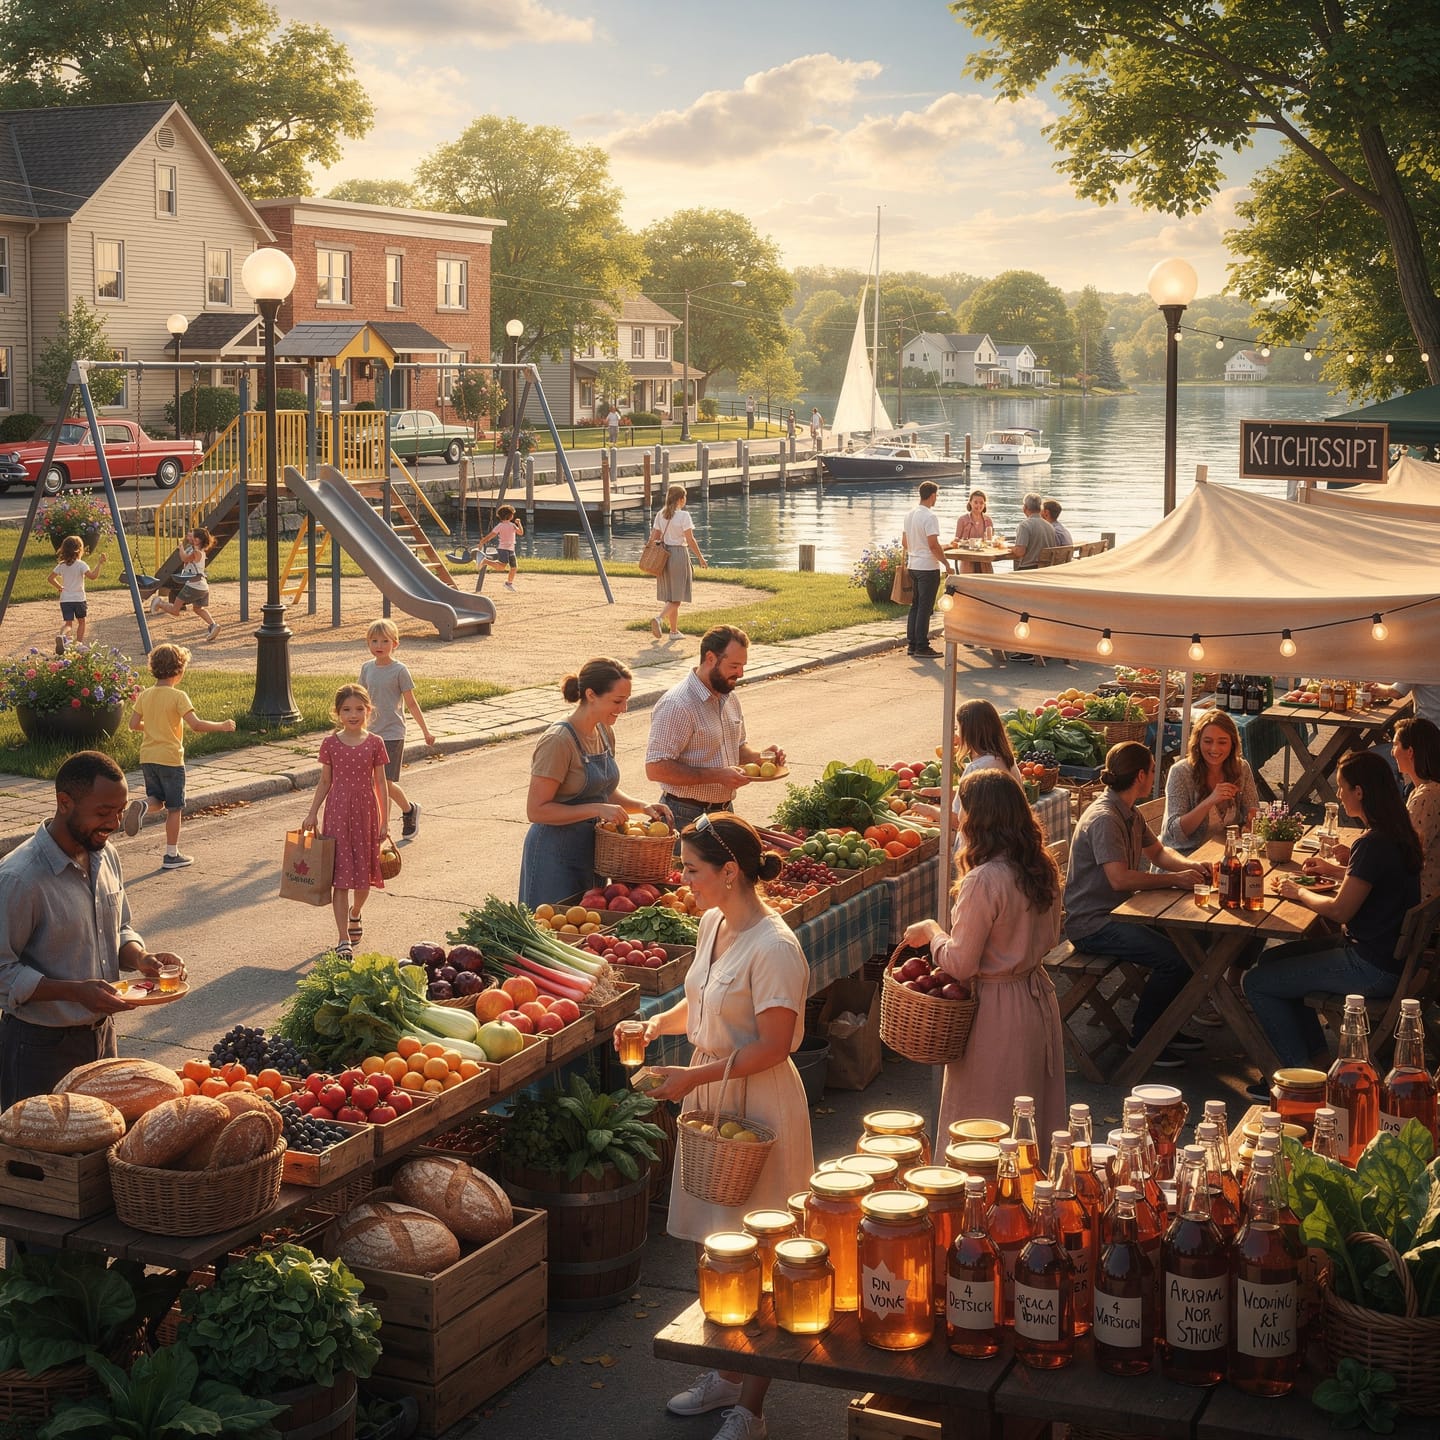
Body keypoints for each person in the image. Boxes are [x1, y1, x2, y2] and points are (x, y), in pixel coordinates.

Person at [624, 813, 813, 1440]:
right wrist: (655, 1027)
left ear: (729, 872)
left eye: (692, 868)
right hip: (712, 1100)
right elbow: (701, 1001)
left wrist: (692, 1081)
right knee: (718, 1250)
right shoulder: (712, 923)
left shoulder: (776, 947)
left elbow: (775, 1045)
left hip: (757, 1106)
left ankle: (751, 1409)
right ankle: (726, 1374)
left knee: (762, 1253)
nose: (684, 879)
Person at [0, 751, 186, 1109]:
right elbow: (2, 971)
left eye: (119, 811)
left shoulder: (105, 855)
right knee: (43, 1161)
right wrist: (75, 992)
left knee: (99, 1153)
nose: (115, 823)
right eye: (103, 813)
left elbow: (119, 929)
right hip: (39, 1048)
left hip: (102, 1037)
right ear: (64, 802)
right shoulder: (19, 878)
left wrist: (142, 958)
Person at [902, 770, 1066, 1143]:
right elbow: (1051, 936)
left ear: (978, 818)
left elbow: (960, 963)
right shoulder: (1041, 867)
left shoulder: (984, 880)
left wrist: (931, 931)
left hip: (994, 1013)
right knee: (1027, 1118)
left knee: (982, 1122)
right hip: (1035, 999)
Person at [1245, 750, 1422, 1089]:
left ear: (1361, 792)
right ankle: (1317, 1059)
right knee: (1272, 959)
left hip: (1370, 967)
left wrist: (1298, 893)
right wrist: (1337, 871)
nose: (1338, 795)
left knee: (1256, 982)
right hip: (1391, 959)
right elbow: (1374, 882)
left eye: (1342, 788)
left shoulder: (1372, 843)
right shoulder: (1396, 833)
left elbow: (1341, 911)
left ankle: (1298, 1078)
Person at [1063, 742, 1211, 1069]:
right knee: (1175, 960)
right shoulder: (1105, 817)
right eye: (1153, 770)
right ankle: (1145, 1036)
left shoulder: (1129, 810)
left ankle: (1165, 1026)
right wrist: (1175, 881)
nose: (1154, 776)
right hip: (1093, 925)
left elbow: (1158, 853)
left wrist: (1192, 867)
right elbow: (1119, 879)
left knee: (1193, 944)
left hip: (1120, 914)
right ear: (1142, 775)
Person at [518, 658, 671, 907]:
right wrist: (597, 810)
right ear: (591, 694)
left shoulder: (604, 731)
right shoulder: (558, 741)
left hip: (593, 852)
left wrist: (642, 806)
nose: (624, 709)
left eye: (626, 700)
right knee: (555, 931)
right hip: (554, 856)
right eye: (617, 701)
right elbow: (536, 810)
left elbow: (603, 791)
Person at [645, 625, 785, 833]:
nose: (741, 673)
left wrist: (763, 757)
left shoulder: (729, 697)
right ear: (710, 658)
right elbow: (655, 768)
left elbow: (735, 748)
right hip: (684, 814)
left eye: (743, 665)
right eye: (735, 665)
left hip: (725, 811)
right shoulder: (677, 704)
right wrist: (717, 776)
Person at [122, 643, 236, 869]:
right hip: (171, 759)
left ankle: (142, 805)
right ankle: (171, 854)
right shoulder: (178, 696)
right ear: (179, 670)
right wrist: (222, 726)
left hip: (148, 757)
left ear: (153, 668)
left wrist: (154, 727)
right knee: (174, 808)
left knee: (156, 799)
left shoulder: (145, 695)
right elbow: (196, 725)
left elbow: (133, 724)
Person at [301, 684, 390, 957]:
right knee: (340, 878)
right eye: (347, 710)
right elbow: (325, 781)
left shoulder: (375, 742)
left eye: (359, 709)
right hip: (337, 813)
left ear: (369, 711)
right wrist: (312, 811)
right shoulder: (330, 743)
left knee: (362, 879)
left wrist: (385, 819)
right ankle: (343, 939)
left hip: (366, 814)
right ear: (338, 713)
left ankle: (356, 912)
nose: (353, 714)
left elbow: (381, 784)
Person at [359, 618, 434, 840]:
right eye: (374, 640)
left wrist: (426, 731)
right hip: (370, 734)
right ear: (368, 643)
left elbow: (411, 703)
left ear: (395, 644)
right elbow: (360, 700)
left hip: (392, 734)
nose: (379, 645)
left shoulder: (399, 670)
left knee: (384, 783)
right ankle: (409, 809)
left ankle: (384, 830)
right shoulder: (367, 668)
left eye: (384, 640)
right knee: (374, 783)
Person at [1161, 708, 1260, 854]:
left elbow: (1252, 812)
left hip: (1224, 853)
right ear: (1197, 742)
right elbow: (1175, 833)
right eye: (1208, 741)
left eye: (1222, 742)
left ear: (1232, 744)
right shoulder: (1181, 772)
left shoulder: (1241, 768)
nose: (1214, 748)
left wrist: (1253, 820)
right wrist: (1209, 801)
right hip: (1184, 857)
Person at [901, 480, 953, 658]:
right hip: (927, 567)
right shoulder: (930, 517)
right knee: (925, 607)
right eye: (936, 495)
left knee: (915, 606)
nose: (936, 498)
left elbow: (904, 542)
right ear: (932, 496)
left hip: (913, 564)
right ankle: (922, 645)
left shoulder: (910, 514)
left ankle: (912, 643)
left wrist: (918, 549)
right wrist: (946, 564)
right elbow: (932, 545)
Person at [648, 485, 706, 641]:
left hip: (664, 555)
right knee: (677, 597)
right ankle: (659, 618)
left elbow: (653, 537)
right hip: (678, 554)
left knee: (671, 595)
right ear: (681, 499)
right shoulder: (684, 516)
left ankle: (673, 632)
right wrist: (700, 557)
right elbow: (690, 540)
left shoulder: (660, 514)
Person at [1393, 718, 1440, 901]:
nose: (1392, 751)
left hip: (1418, 897)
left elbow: (1405, 859)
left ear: (1410, 752)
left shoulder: (1426, 797)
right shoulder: (1425, 789)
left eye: (1395, 744)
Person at [151, 527, 220, 642]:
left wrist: (181, 548)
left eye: (191, 535)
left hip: (193, 586)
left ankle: (159, 602)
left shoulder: (196, 552)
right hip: (202, 587)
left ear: (197, 540)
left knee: (175, 610)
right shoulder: (199, 551)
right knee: (198, 608)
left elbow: (184, 558)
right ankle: (213, 625)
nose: (188, 536)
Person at [49, 534, 105, 651]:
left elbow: (50, 578)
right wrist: (99, 563)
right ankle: (79, 644)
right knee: (81, 622)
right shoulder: (81, 565)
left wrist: (60, 587)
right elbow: (93, 576)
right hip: (79, 599)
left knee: (68, 624)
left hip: (65, 599)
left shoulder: (61, 565)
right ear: (79, 550)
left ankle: (62, 636)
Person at [478, 504, 524, 591]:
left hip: (511, 549)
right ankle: (485, 561)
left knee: (514, 567)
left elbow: (520, 532)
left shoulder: (512, 525)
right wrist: (482, 542)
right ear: (510, 516)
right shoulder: (500, 526)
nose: (513, 516)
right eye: (512, 514)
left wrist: (519, 524)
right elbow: (491, 535)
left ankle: (509, 583)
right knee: (501, 567)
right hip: (503, 549)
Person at [1010, 493, 1057, 571]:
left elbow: (1020, 552)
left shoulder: (1024, 525)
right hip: (1046, 569)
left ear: (1025, 508)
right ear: (1040, 508)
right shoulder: (1050, 526)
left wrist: (1011, 548)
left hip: (1028, 570)